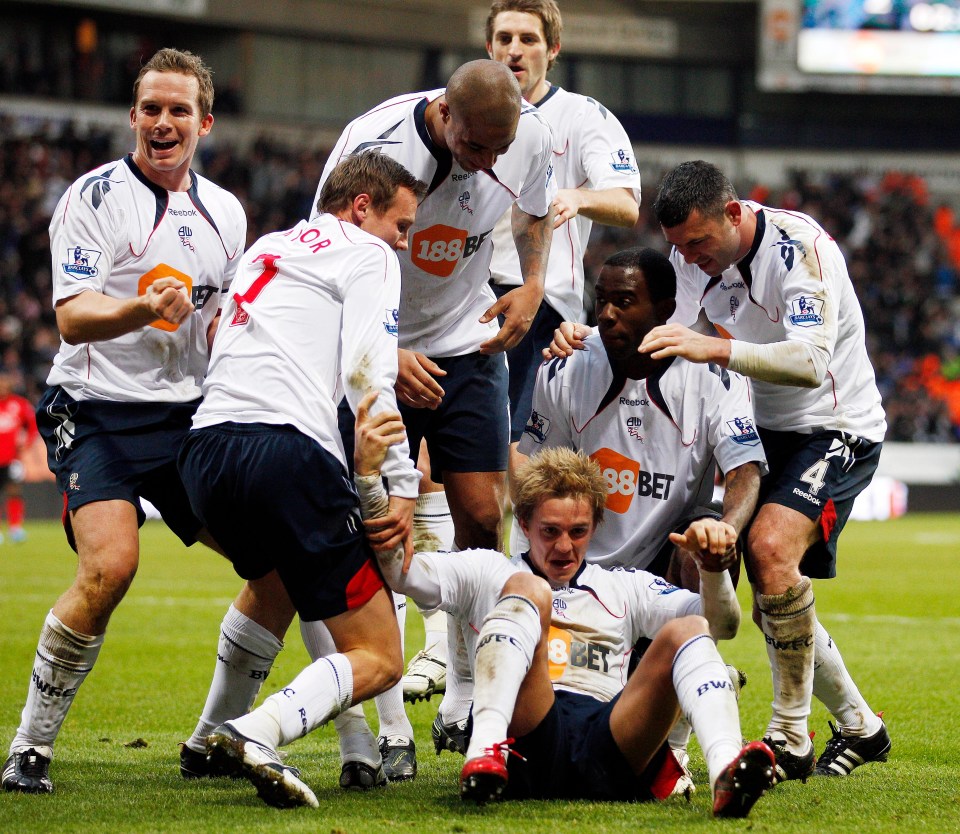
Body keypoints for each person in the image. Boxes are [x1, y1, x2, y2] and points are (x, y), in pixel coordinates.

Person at [1, 48, 246, 795]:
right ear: (134, 115)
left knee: (272, 562)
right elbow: (72, 318)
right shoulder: (94, 197)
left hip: (187, 420)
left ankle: (213, 739)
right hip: (96, 412)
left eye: (178, 110)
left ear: (203, 122)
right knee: (110, 566)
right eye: (150, 108)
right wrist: (144, 307)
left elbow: (224, 329)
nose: (162, 123)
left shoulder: (227, 214)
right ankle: (30, 749)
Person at [304, 58, 555, 779]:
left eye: (500, 151)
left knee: (483, 514)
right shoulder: (374, 141)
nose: (489, 165)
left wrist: (532, 284)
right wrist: (389, 349)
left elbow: (534, 210)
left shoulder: (522, 138)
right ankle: (378, 718)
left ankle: (472, 692)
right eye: (476, 149)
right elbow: (319, 250)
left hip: (470, 343)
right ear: (444, 115)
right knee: (369, 527)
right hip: (377, 351)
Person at [353, 410, 775, 819]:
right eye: (549, 531)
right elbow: (401, 572)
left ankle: (726, 769)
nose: (563, 548)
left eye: (578, 532)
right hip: (525, 741)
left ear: (596, 525)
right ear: (524, 520)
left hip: (608, 745)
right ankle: (484, 748)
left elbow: (721, 627)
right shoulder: (489, 570)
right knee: (527, 589)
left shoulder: (622, 585)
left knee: (689, 627)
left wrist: (715, 572)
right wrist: (370, 483)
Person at [405, 0, 644, 720]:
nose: (516, 48)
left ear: (554, 49)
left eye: (529, 39)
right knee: (426, 480)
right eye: (503, 37)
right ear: (486, 48)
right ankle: (447, 647)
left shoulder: (581, 119)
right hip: (459, 309)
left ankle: (501, 648)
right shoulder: (449, 125)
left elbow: (629, 203)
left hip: (543, 317)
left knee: (500, 489)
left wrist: (568, 194)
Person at [179, 151, 427, 809]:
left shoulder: (268, 246)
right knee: (380, 654)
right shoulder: (366, 254)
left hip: (206, 454)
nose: (402, 244)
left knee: (274, 585)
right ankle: (256, 733)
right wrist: (400, 484)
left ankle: (205, 740)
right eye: (401, 226)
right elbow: (367, 375)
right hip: (284, 453)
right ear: (361, 207)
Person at [640, 160, 890, 781]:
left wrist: (715, 347)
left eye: (698, 243)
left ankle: (789, 736)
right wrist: (585, 338)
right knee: (774, 596)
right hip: (762, 427)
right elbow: (670, 332)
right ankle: (862, 727)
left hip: (835, 425)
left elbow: (809, 361)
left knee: (771, 548)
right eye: (678, 247)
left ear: (733, 213)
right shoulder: (689, 257)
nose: (690, 259)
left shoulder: (798, 248)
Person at [0, 372, 38, 543]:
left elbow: (33, 425)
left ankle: (15, 527)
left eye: (5, 385)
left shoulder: (19, 404)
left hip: (12, 458)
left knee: (14, 491)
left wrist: (27, 443)